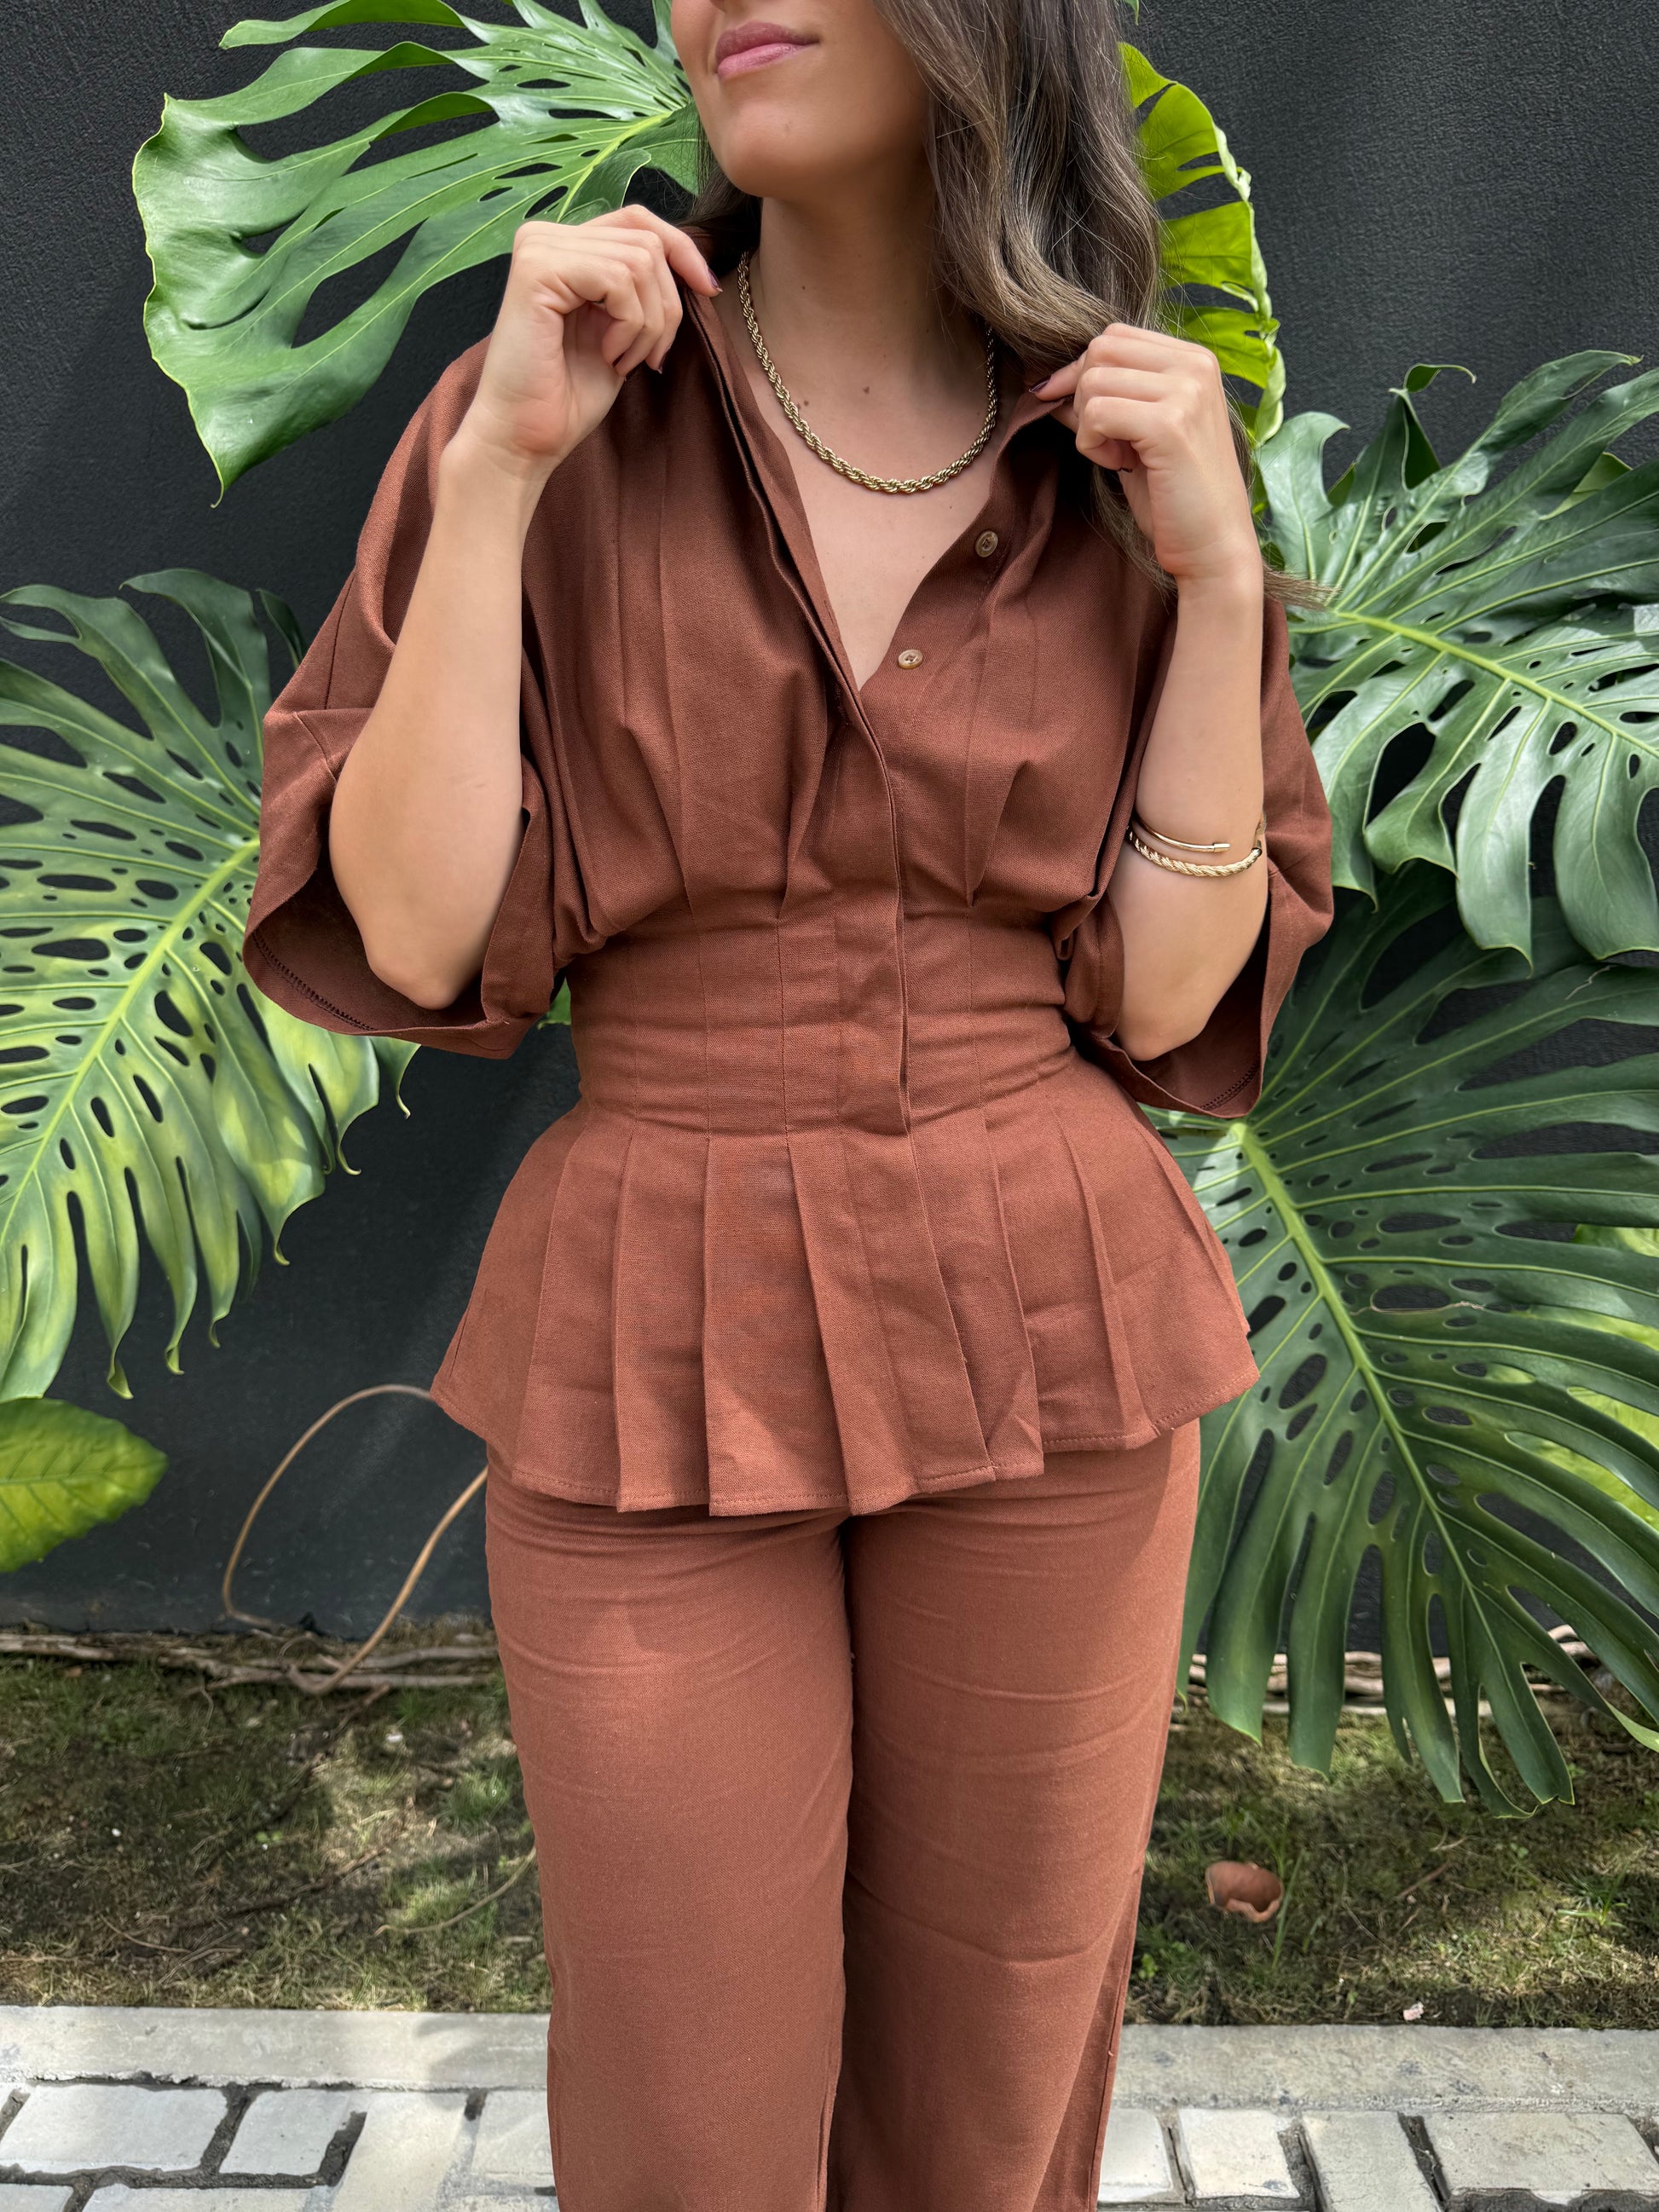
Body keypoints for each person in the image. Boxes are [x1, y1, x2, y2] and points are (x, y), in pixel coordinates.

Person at [243, 0, 1334, 2194]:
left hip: (1047, 1310)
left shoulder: (1124, 448)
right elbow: (423, 934)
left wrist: (1219, 582)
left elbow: (1168, 992)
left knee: (992, 2059)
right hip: (661, 1306)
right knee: (685, 2081)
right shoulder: (549, 403)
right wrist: (499, 476)